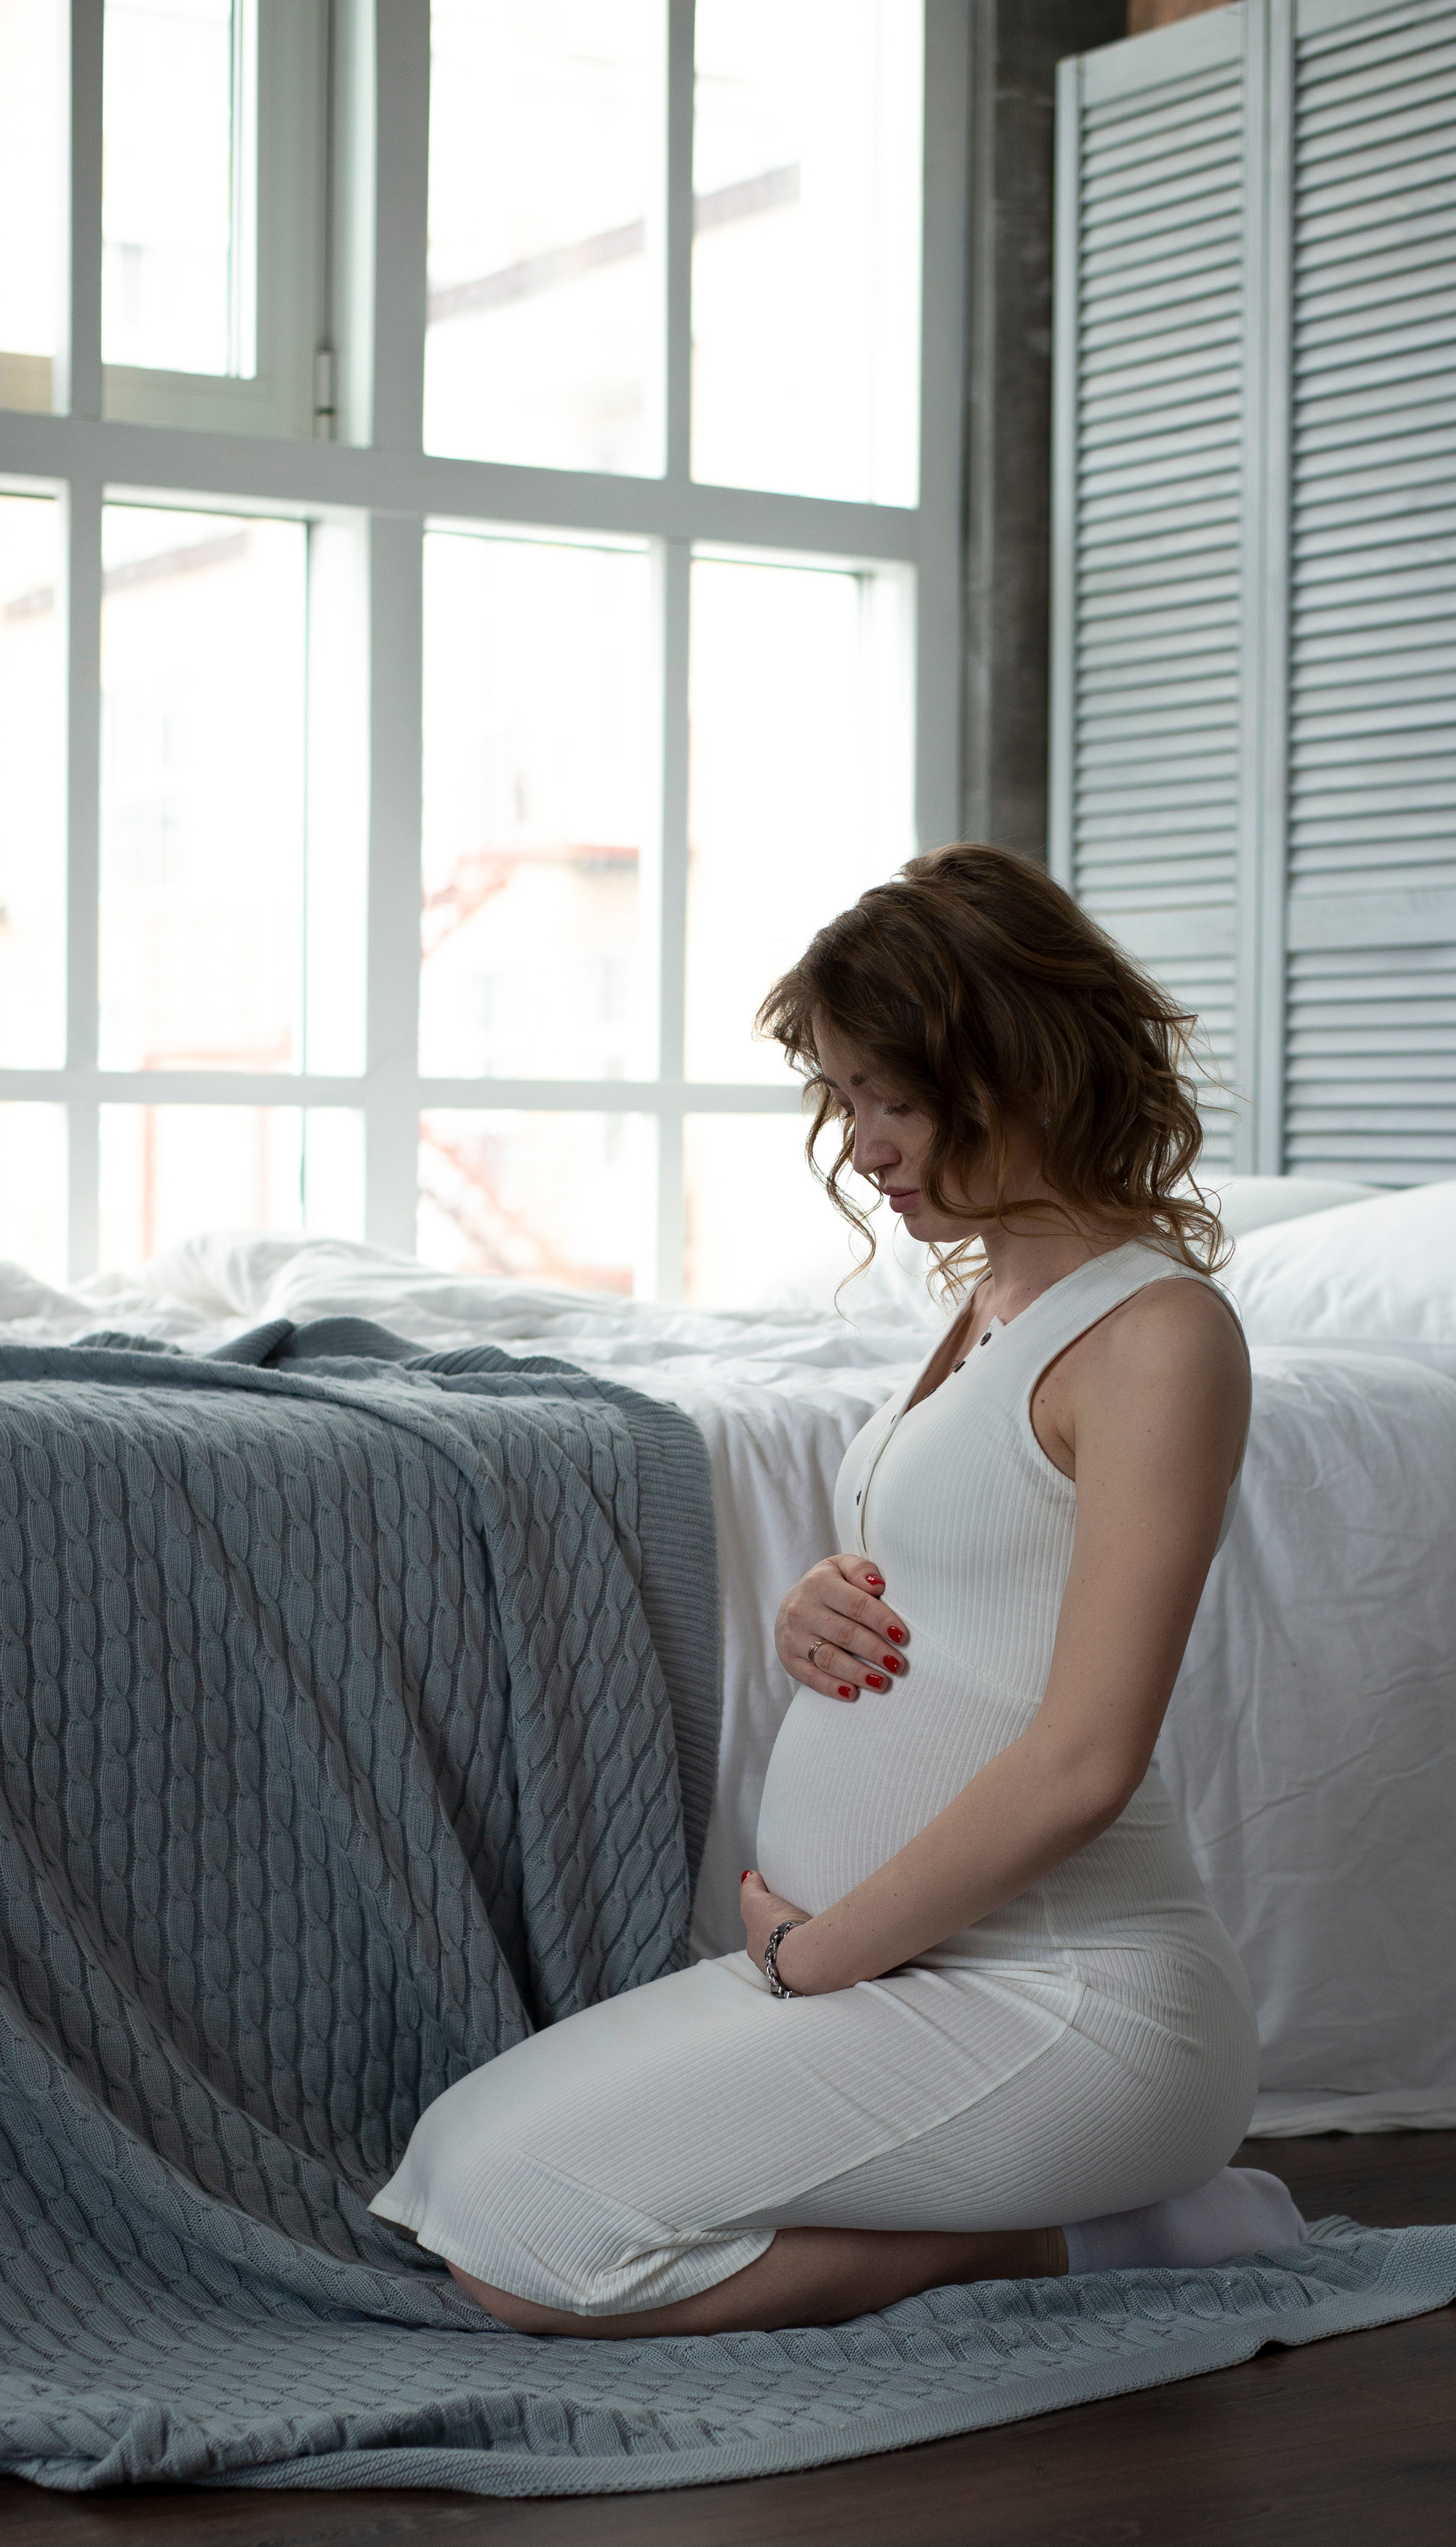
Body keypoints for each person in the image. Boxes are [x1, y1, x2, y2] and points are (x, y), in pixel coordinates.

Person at [370, 844, 1302, 2333]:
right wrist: (825, 1597)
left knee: (525, 2257)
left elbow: (1082, 1757)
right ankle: (1097, 2213)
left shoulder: (1158, 1335)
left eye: (894, 1097)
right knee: (451, 2164)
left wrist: (819, 1953)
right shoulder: (992, 1300)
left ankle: (1123, 2234)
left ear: (1023, 1068)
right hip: (889, 1970)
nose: (862, 1144)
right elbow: (989, 1566)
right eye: (846, 1096)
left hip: (1061, 1999)